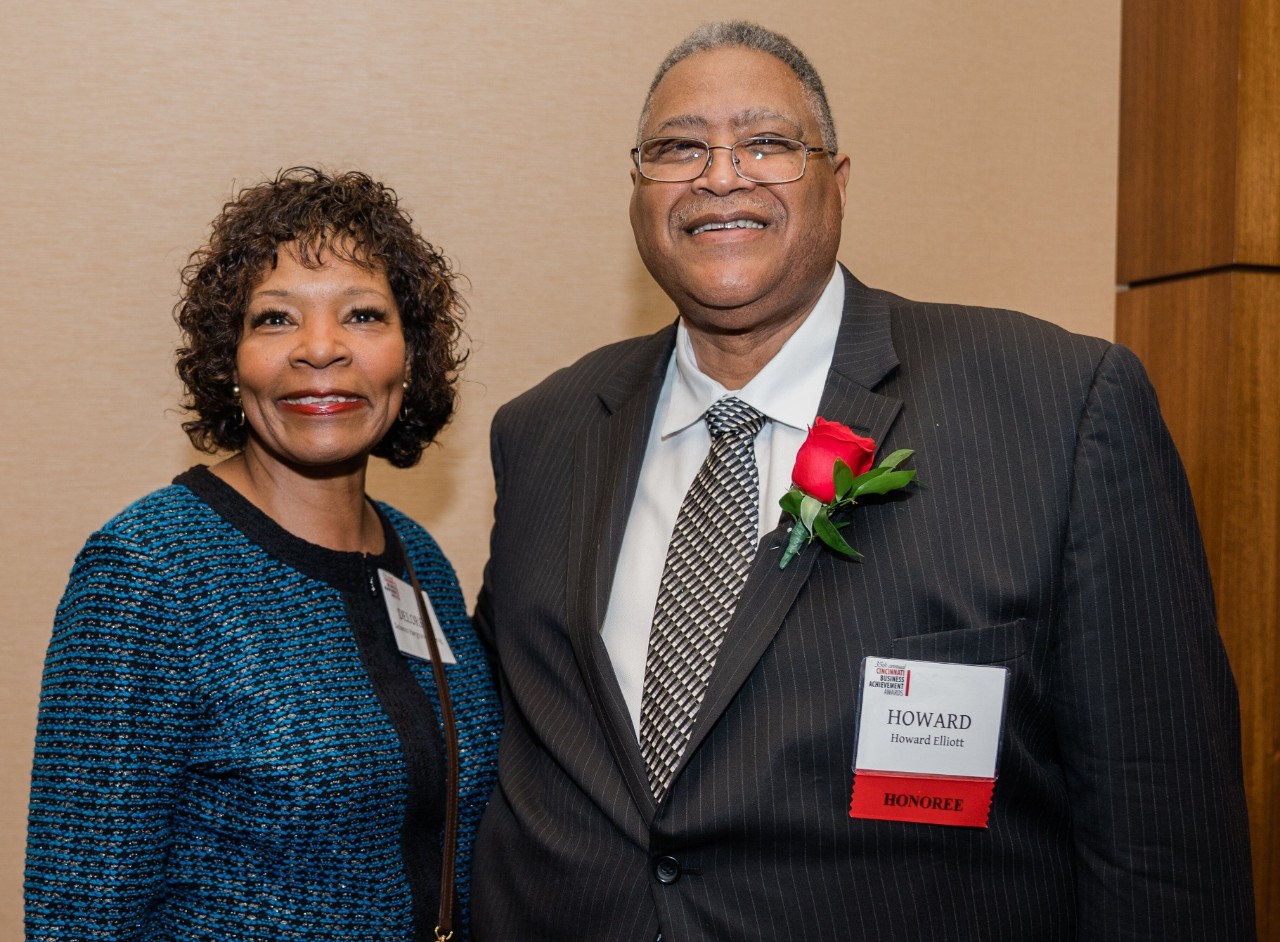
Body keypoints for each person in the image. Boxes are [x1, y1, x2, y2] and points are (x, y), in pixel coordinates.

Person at [470, 21, 1256, 941]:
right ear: (640, 193)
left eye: (767, 142)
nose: (720, 176)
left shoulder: (1056, 408)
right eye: (678, 149)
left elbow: (1164, 839)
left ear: (838, 181)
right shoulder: (544, 432)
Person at [25, 167, 500, 941]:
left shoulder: (420, 558)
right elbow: (82, 918)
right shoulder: (147, 571)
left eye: (363, 315)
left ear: (410, 356)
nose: (321, 349)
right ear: (230, 360)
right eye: (276, 319)